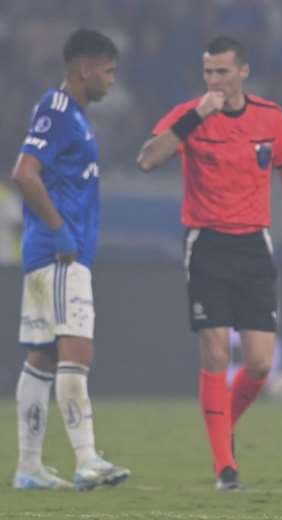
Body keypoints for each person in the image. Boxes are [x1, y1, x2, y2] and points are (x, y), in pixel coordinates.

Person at [136, 36, 282, 490]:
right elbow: (147, 159)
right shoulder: (190, 116)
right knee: (217, 351)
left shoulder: (271, 118)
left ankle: (222, 425)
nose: (214, 81)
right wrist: (193, 119)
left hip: (253, 246)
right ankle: (225, 466)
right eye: (208, 72)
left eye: (222, 72)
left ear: (243, 72)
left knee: (261, 363)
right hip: (206, 244)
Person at [10, 28, 130, 491]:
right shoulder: (60, 112)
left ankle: (29, 467)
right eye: (108, 70)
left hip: (48, 253)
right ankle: (85, 459)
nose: (112, 80)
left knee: (42, 356)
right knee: (76, 347)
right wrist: (60, 230)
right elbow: (24, 172)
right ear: (84, 68)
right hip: (59, 253)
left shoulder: (71, 115)